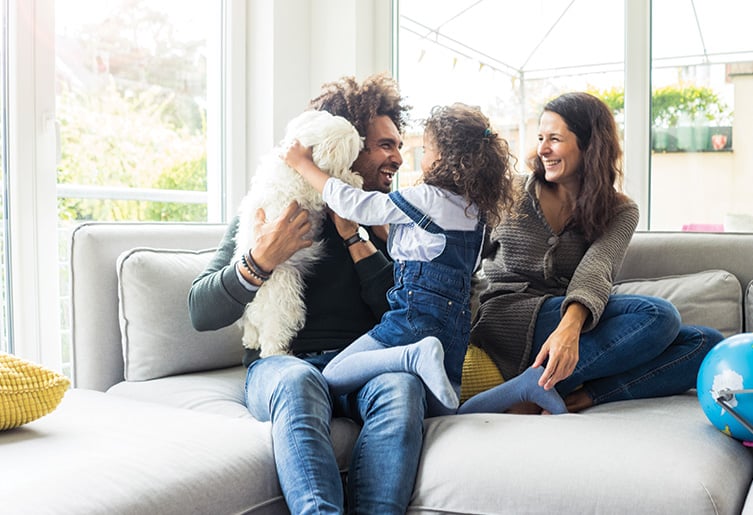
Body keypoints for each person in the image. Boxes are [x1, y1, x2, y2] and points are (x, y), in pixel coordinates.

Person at [188, 73, 425, 515]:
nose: (397, 156)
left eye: (398, 144)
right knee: (299, 381)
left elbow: (404, 314)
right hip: (284, 365)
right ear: (348, 147)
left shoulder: (394, 223)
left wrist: (358, 240)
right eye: (386, 145)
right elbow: (199, 310)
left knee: (403, 386)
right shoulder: (272, 207)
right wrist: (260, 260)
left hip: (364, 365)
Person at [460, 91, 723, 415]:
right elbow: (465, 258)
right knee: (659, 316)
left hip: (571, 324)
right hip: (506, 317)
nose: (542, 149)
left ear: (589, 145)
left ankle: (580, 394)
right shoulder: (510, 192)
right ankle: (539, 386)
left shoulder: (619, 210)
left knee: (706, 344)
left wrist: (569, 330)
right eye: (541, 137)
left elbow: (597, 267)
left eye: (555, 139)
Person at [284, 103, 515, 415]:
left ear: (445, 157)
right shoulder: (475, 213)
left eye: (427, 148)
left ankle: (412, 356)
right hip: (454, 328)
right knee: (446, 411)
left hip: (413, 321)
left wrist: (303, 165)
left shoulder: (425, 198)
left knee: (333, 375)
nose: (420, 157)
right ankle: (524, 386)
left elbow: (356, 205)